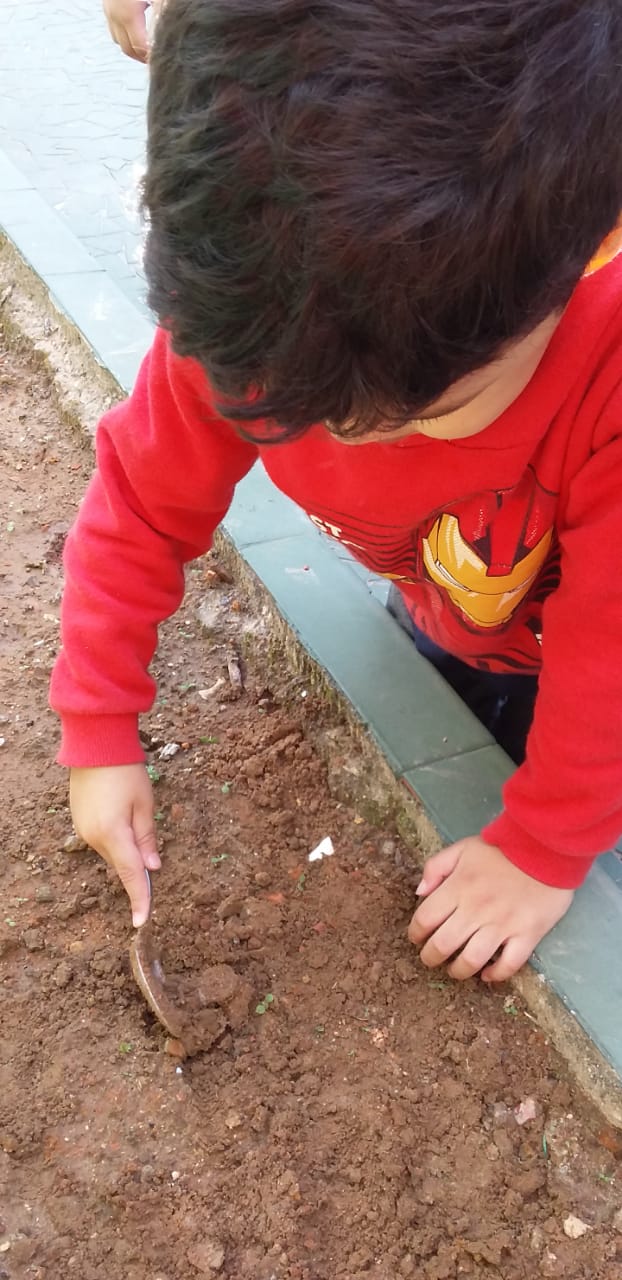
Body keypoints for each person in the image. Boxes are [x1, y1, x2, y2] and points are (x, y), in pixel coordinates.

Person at [51, 0, 622, 983]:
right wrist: (97, 727)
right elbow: (139, 504)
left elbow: (609, 658)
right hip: (465, 608)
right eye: (294, 411)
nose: (352, 440)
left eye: (428, 411)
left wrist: (540, 850)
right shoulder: (255, 290)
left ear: (586, 251)